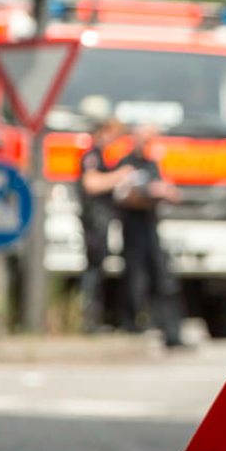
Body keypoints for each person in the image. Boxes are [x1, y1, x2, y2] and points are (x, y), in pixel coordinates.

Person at [114, 124, 185, 348]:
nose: (146, 143)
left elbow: (165, 190)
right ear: (134, 138)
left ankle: (172, 334)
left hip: (150, 226)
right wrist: (149, 191)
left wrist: (160, 191)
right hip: (131, 227)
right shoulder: (125, 164)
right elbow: (125, 194)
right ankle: (131, 326)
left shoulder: (152, 163)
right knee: (134, 278)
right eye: (143, 138)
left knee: (163, 278)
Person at [78, 117, 131, 333]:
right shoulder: (92, 155)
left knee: (99, 268)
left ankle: (95, 320)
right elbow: (91, 184)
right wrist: (120, 176)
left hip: (100, 218)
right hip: (94, 219)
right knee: (93, 269)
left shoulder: (101, 155)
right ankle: (89, 321)